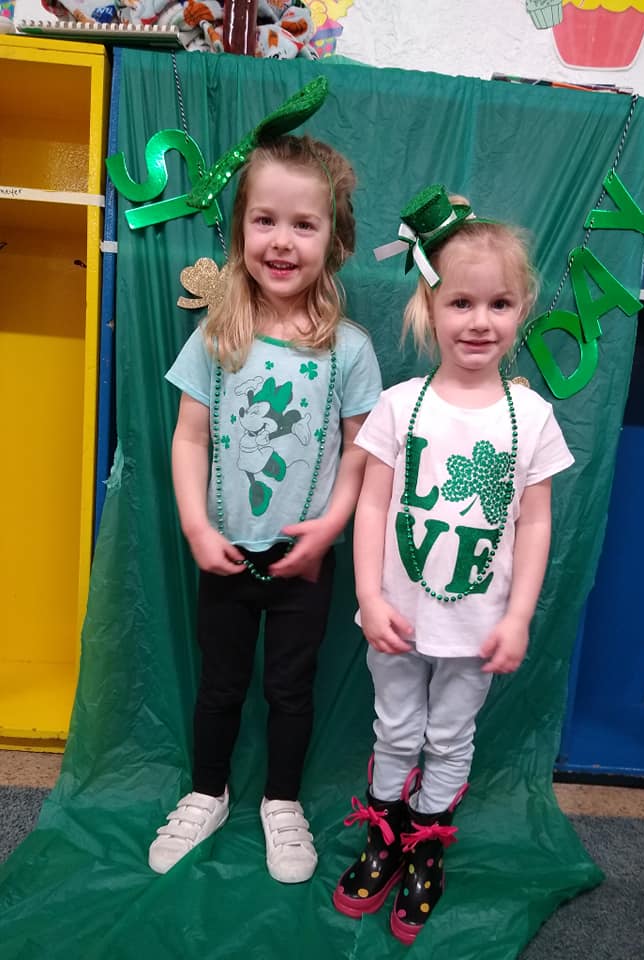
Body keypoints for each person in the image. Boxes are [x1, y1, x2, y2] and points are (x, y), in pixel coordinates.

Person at [333, 185, 574, 943]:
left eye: (499, 304)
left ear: (522, 309)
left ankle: (426, 848)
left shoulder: (531, 416)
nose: (479, 321)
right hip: (399, 618)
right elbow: (371, 506)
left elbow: (534, 523)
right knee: (396, 729)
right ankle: (383, 840)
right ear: (428, 310)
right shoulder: (401, 406)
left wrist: (518, 615)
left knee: (450, 737)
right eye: (461, 303)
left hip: (476, 625)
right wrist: (369, 598)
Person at [152, 130, 382, 884]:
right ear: (240, 229)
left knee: (290, 686)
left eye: (303, 224)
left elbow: (361, 451)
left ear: (334, 238)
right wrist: (194, 524)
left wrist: (330, 528)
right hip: (224, 549)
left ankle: (281, 801)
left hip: (302, 560)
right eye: (264, 221)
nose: (281, 241)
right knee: (219, 683)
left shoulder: (348, 350)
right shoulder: (218, 335)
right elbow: (189, 439)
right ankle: (205, 792)